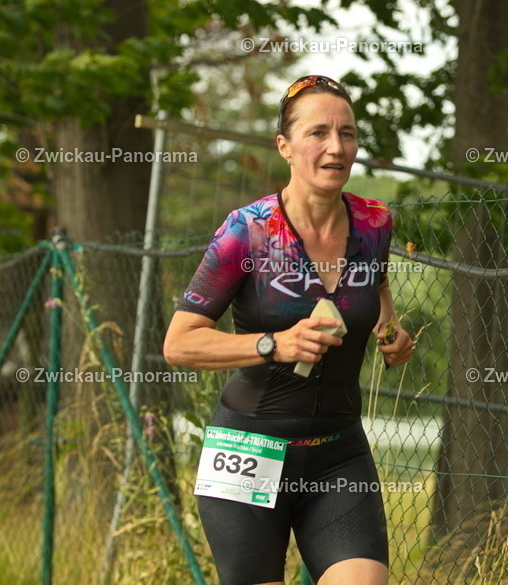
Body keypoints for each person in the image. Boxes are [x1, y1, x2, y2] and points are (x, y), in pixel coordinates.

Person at [164, 74, 414, 585]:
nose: (336, 147)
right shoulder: (247, 231)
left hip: (337, 454)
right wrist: (273, 344)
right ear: (285, 146)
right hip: (248, 450)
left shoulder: (375, 222)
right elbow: (179, 343)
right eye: (318, 133)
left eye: (347, 133)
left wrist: (390, 328)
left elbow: (376, 280)